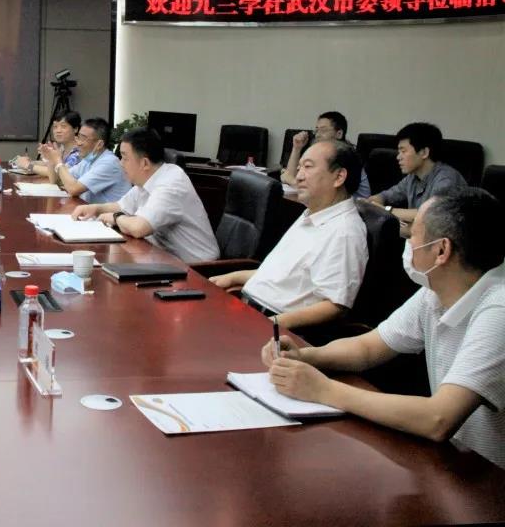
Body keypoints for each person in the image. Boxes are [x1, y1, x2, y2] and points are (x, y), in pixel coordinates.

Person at [262, 188, 505, 469]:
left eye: (413, 233)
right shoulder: (436, 290)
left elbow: (438, 418)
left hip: (490, 479)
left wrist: (323, 390)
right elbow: (368, 348)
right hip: (455, 461)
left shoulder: (498, 310)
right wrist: (305, 356)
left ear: (441, 250)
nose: (408, 241)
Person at [210, 140, 368, 331]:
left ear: (339, 177)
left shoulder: (344, 232)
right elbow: (282, 276)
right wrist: (232, 277)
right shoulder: (313, 212)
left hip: (274, 325)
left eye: (308, 167)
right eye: (299, 167)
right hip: (247, 309)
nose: (298, 176)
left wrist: (271, 324)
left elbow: (334, 306)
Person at [72, 128, 218, 262]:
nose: (121, 163)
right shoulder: (148, 178)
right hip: (164, 258)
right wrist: (96, 209)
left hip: (198, 269)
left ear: (145, 163)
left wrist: (116, 218)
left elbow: (139, 228)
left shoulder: (171, 184)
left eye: (125, 158)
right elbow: (121, 206)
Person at [368, 122, 466, 238]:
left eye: (403, 151)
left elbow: (430, 215)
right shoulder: (412, 177)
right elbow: (387, 195)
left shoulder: (446, 179)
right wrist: (372, 202)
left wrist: (386, 210)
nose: (398, 157)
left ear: (424, 152)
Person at [281, 111, 370, 199]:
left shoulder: (346, 156)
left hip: (356, 205)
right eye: (316, 130)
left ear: (339, 134)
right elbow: (291, 175)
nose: (317, 135)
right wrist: (297, 148)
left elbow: (325, 191)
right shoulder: (320, 153)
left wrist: (291, 180)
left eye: (323, 130)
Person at [41, 117, 130, 204]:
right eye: (78, 137)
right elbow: (57, 181)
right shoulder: (88, 160)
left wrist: (58, 161)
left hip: (110, 213)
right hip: (90, 211)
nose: (78, 143)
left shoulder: (109, 163)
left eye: (83, 139)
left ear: (99, 144)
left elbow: (73, 189)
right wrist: (50, 160)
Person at [13, 110, 81, 177]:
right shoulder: (63, 147)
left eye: (63, 126)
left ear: (75, 129)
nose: (58, 131)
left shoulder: (79, 151)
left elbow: (60, 172)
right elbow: (53, 165)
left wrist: (28, 165)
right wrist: (31, 162)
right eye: (55, 127)